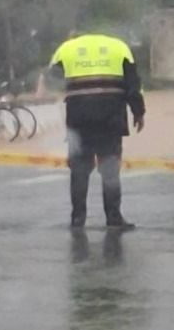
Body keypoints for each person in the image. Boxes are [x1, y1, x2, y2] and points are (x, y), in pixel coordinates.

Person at [50, 31, 145, 229]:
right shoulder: (119, 47)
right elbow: (133, 86)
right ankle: (113, 217)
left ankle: (77, 218)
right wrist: (138, 112)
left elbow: (53, 78)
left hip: (79, 119)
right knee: (110, 170)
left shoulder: (66, 48)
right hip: (110, 119)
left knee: (79, 171)